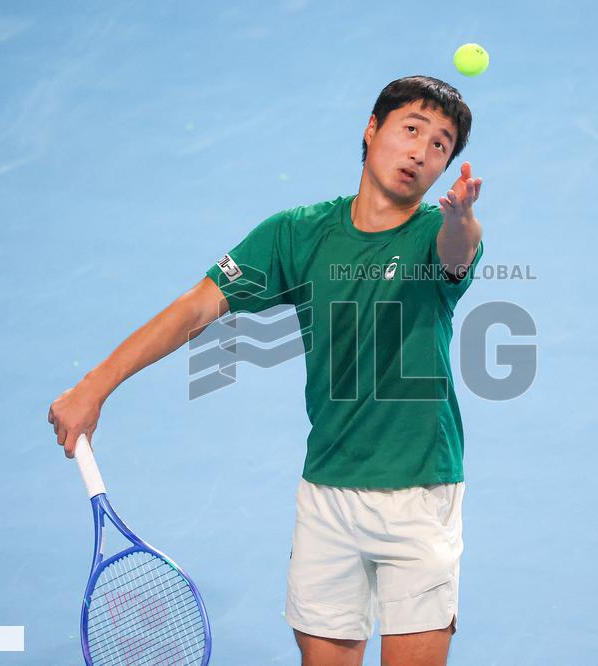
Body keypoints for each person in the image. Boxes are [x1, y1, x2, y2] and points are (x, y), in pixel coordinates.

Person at [48, 74, 484, 666]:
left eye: (440, 144)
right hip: (328, 490)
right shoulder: (296, 234)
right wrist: (95, 386)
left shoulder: (437, 233)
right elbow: (195, 308)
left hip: (419, 493)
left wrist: (461, 220)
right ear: (372, 128)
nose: (420, 151)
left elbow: (459, 252)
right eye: (411, 128)